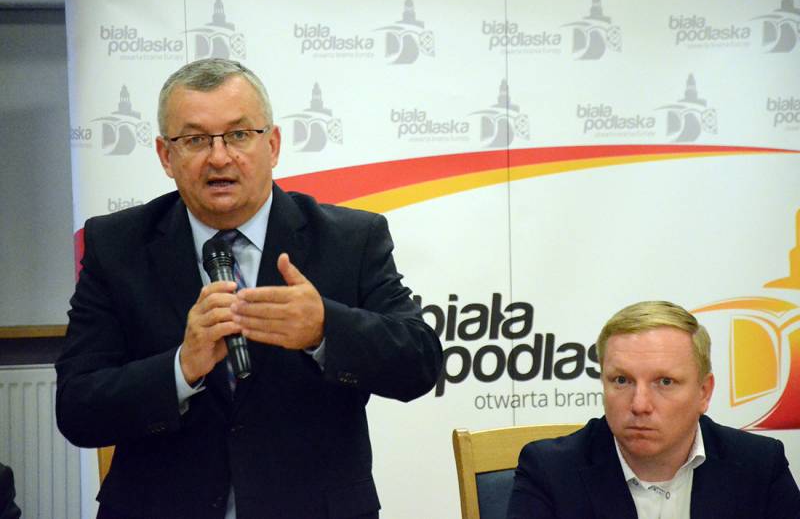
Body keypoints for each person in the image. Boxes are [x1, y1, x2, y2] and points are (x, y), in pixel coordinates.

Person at [55, 58, 442, 519]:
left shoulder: (350, 239)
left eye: (239, 135)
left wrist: (325, 329)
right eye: (195, 140)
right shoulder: (116, 245)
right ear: (165, 155)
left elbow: (420, 363)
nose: (219, 157)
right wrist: (181, 368)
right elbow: (77, 408)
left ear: (272, 145)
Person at [507, 300, 800, 519]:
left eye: (665, 382)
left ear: (704, 392)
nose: (639, 405)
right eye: (622, 380)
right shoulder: (551, 471)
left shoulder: (759, 465)